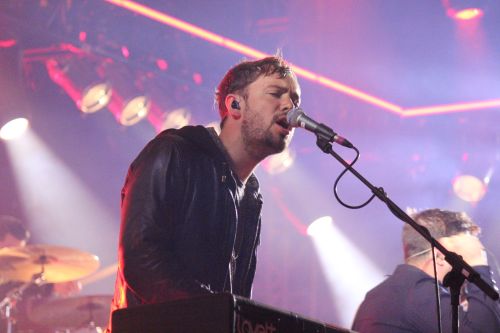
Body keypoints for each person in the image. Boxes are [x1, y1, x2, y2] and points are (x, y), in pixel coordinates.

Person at [108, 55, 301, 321]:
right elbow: (141, 260)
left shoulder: (251, 196)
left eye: (295, 99)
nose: (290, 106)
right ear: (235, 105)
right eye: (275, 94)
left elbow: (237, 299)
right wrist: (216, 314)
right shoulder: (175, 153)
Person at [352, 208, 500, 332]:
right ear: (441, 254)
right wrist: (477, 262)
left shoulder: (394, 291)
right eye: (466, 252)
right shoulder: (418, 292)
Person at [0, 215, 81, 332]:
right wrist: (51, 287)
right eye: (9, 249)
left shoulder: (12, 273)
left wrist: (54, 284)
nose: (13, 256)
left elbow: (20, 288)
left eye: (18, 251)